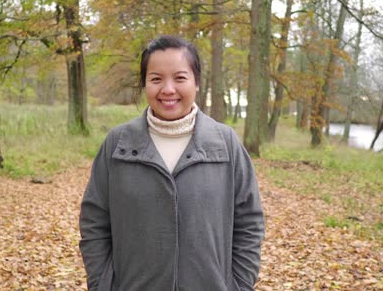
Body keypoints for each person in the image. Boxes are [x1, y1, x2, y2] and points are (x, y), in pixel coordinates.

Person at [79, 35, 265, 291]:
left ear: (196, 82)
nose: (167, 89)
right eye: (156, 79)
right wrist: (102, 283)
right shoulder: (117, 144)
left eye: (180, 78)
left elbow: (249, 222)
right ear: (144, 83)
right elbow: (94, 221)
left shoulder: (226, 143)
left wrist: (240, 285)